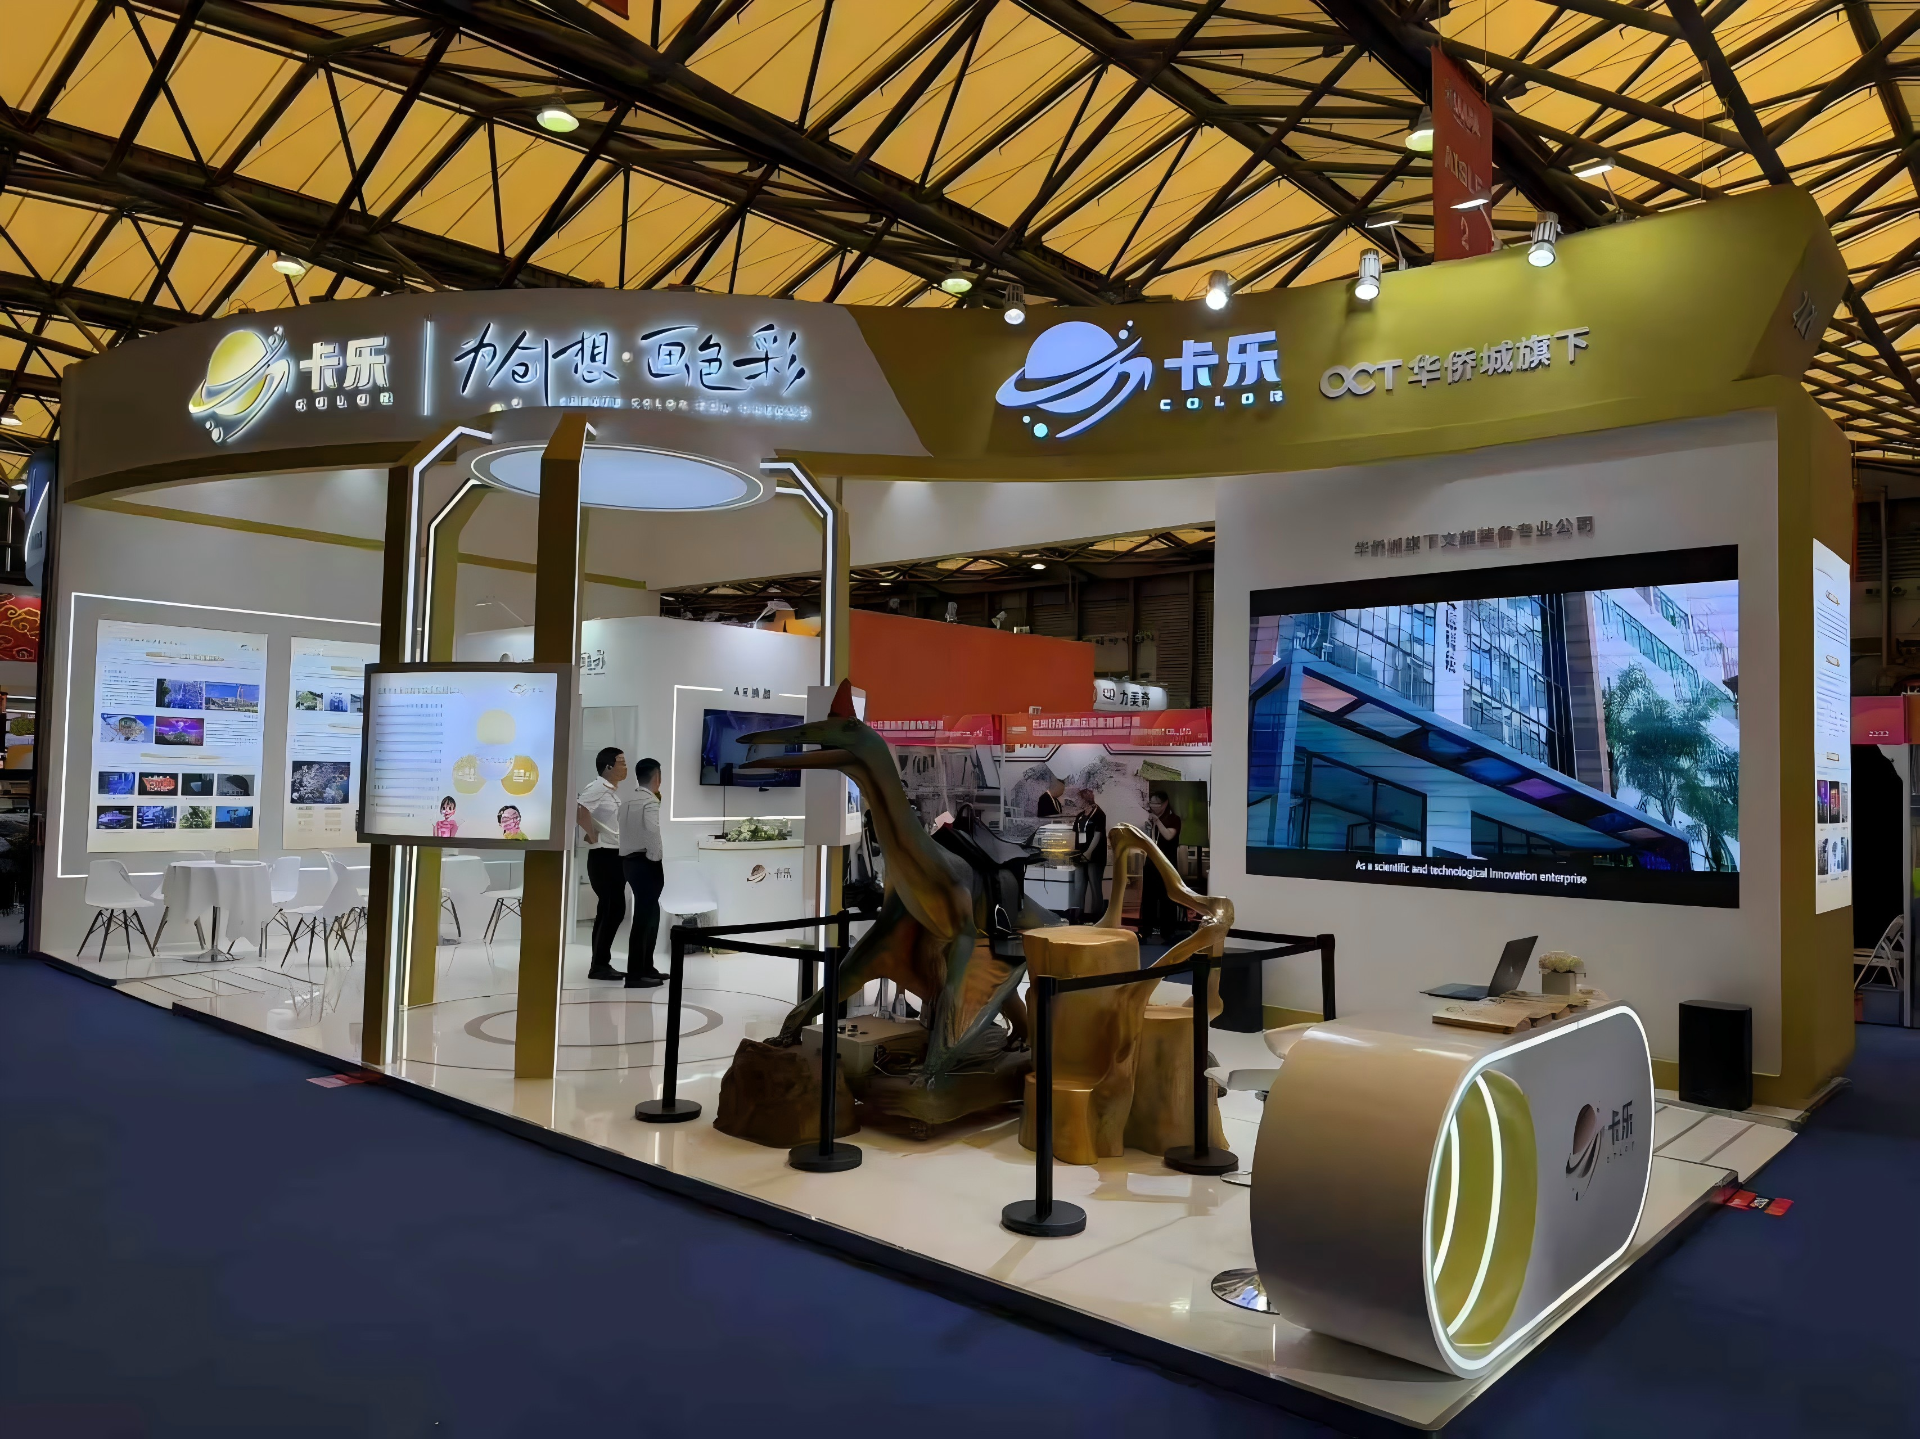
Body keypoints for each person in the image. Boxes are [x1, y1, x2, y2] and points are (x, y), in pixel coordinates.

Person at [577, 747, 627, 980]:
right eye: (621, 762)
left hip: (613, 855)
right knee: (612, 909)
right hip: (604, 856)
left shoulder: (610, 791)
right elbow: (580, 810)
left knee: (610, 910)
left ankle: (600, 963)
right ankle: (599, 965)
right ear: (608, 766)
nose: (625, 767)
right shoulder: (597, 787)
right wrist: (591, 834)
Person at [620, 756, 666, 989]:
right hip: (645, 863)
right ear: (657, 777)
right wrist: (655, 859)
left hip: (629, 862)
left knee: (648, 914)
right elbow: (652, 832)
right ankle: (636, 974)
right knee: (644, 918)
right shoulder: (649, 801)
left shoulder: (627, 800)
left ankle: (647, 967)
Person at [1138, 789, 1183, 944]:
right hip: (1151, 863)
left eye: (1156, 803)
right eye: (1151, 803)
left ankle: (1168, 933)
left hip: (1167, 865)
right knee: (1148, 899)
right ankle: (1145, 932)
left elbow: (1169, 836)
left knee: (1167, 899)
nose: (1153, 806)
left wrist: (1157, 821)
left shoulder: (1173, 819)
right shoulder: (1150, 819)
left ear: (1165, 803)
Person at [1067, 787, 1107, 924]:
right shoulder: (1080, 816)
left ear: (1085, 799)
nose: (1076, 801)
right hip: (1080, 854)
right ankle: (1077, 917)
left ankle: (1097, 919)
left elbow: (1098, 834)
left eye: (1079, 799)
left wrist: (1089, 852)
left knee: (1095, 887)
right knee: (1079, 886)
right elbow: (1075, 835)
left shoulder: (1099, 814)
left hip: (1095, 856)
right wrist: (1074, 852)